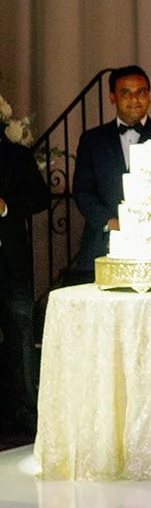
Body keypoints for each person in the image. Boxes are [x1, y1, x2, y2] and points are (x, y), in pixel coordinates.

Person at [71, 66, 151, 273]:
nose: (134, 99)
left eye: (141, 92)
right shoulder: (92, 140)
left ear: (149, 97)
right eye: (126, 93)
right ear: (112, 97)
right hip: (103, 244)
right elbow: (82, 191)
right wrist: (111, 222)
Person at [0, 133, 48, 435]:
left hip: (10, 264)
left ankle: (28, 413)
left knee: (21, 331)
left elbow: (41, 198)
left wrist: (5, 207)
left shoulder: (15, 154)